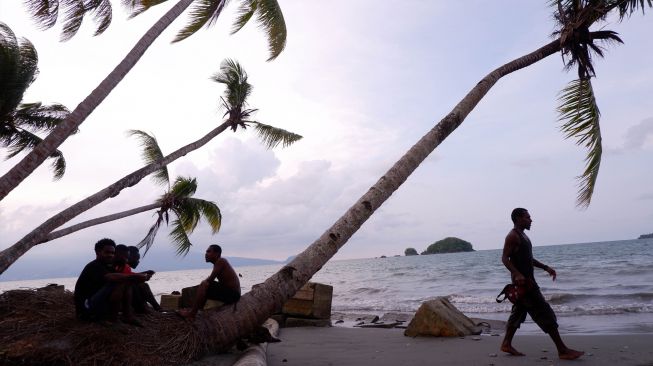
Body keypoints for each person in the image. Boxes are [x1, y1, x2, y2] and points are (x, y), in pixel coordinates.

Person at [500, 208, 584, 360]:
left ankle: (506, 343)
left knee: (518, 314)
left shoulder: (523, 236)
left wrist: (545, 267)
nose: (531, 220)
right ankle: (562, 350)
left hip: (527, 283)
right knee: (545, 313)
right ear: (518, 218)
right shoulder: (512, 236)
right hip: (525, 285)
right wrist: (517, 274)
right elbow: (505, 258)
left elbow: (528, 259)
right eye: (528, 217)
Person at [74, 238, 152, 326]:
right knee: (121, 282)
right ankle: (113, 319)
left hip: (98, 303)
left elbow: (120, 276)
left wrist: (142, 277)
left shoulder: (108, 266)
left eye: (112, 253)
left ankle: (127, 315)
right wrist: (135, 276)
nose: (110, 255)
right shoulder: (94, 266)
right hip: (87, 309)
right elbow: (110, 277)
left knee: (127, 281)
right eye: (107, 252)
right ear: (98, 252)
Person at [178, 244, 241, 320]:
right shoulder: (218, 263)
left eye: (208, 251)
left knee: (204, 284)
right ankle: (196, 310)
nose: (206, 254)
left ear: (216, 253)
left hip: (233, 295)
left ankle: (192, 314)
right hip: (232, 294)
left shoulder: (221, 261)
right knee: (205, 285)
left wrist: (204, 283)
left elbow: (210, 280)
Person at [122, 245, 162, 312]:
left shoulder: (125, 267)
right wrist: (143, 276)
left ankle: (152, 307)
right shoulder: (124, 266)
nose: (138, 261)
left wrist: (144, 273)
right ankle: (153, 307)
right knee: (143, 286)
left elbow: (130, 275)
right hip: (124, 293)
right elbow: (129, 277)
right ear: (129, 256)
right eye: (136, 258)